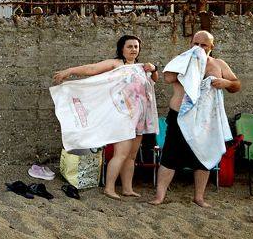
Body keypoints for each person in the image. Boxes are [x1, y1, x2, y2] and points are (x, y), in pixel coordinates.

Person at [52, 35, 159, 199]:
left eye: (136, 47)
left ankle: (127, 188)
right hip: (123, 117)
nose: (133, 50)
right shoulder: (116, 64)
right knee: (121, 154)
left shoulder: (141, 67)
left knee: (131, 156)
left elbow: (153, 81)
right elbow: (92, 69)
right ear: (122, 48)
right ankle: (109, 188)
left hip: (140, 118)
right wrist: (70, 71)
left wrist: (154, 69)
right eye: (129, 46)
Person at [150, 30, 241, 208]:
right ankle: (160, 196)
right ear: (190, 44)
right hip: (180, 115)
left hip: (206, 119)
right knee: (170, 155)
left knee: (203, 155)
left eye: (204, 45)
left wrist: (226, 83)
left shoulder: (219, 64)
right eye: (196, 44)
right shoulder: (182, 60)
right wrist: (189, 70)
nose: (199, 48)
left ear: (211, 47)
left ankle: (199, 197)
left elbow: (236, 85)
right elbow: (168, 77)